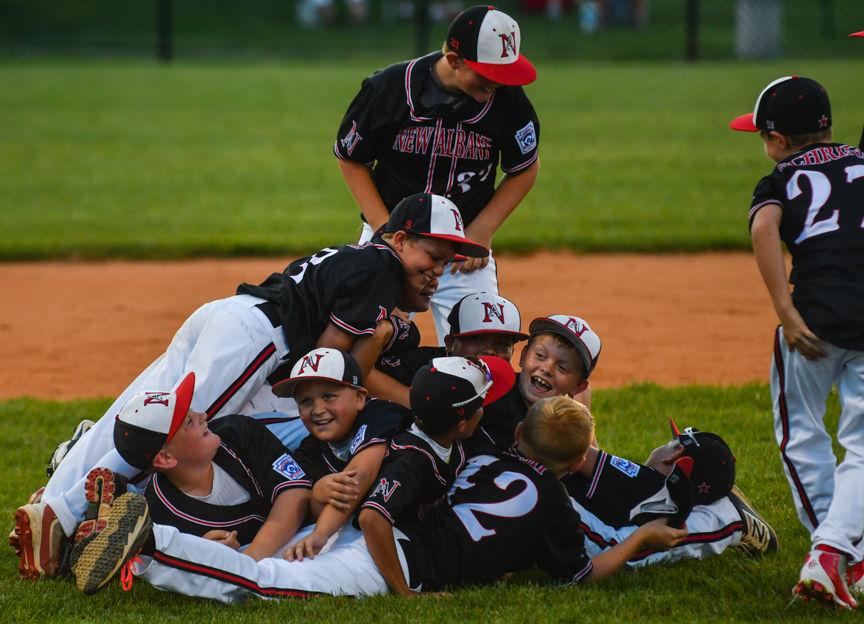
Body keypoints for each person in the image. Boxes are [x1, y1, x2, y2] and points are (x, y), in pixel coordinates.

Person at [12, 192, 486, 581]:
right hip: (258, 339)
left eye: (445, 262)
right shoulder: (381, 275)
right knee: (167, 429)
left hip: (228, 317)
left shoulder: (362, 259)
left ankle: (50, 499)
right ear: (400, 240)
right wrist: (374, 344)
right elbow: (324, 363)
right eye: (433, 256)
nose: (438, 270)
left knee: (137, 411)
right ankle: (67, 514)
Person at [68, 396, 688, 600]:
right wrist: (640, 539)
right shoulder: (552, 503)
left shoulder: (481, 455)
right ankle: (150, 544)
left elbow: (394, 490)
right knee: (261, 582)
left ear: (515, 433)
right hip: (386, 554)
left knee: (263, 576)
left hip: (376, 540)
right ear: (577, 463)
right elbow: (584, 574)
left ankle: (146, 543)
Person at [468, 313, 778, 563]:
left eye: (562, 367)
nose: (547, 369)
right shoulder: (497, 393)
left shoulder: (565, 422)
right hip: (533, 491)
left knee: (613, 549)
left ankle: (727, 520)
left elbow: (596, 466)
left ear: (578, 385)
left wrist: (659, 485)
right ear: (523, 357)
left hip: (549, 493)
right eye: (541, 356)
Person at [730, 75, 864, 609]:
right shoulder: (860, 158)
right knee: (862, 444)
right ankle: (847, 553)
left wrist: (785, 312)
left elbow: (764, 229)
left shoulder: (779, 176)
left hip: (815, 319)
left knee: (801, 434)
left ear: (778, 140)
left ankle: (828, 550)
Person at [334, 5, 540, 344]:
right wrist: (386, 231)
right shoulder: (389, 88)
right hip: (392, 235)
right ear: (454, 59)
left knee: (482, 344)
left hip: (462, 248)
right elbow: (352, 159)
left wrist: (481, 231)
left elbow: (525, 168)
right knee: (364, 339)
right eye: (486, 73)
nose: (495, 83)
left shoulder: (507, 100)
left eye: (503, 73)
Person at [71, 372, 312, 594]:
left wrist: (244, 561)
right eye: (188, 422)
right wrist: (206, 551)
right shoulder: (163, 513)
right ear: (165, 458)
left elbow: (296, 493)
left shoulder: (237, 431)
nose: (202, 415)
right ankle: (101, 528)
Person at [271, 348, 410, 563]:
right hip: (370, 524)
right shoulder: (310, 450)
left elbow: (359, 475)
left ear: (359, 398)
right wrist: (317, 495)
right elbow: (310, 512)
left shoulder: (380, 414)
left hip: (418, 522)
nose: (317, 409)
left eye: (328, 396)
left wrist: (320, 534)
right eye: (305, 402)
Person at [369, 291, 528, 404]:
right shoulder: (423, 366)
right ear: (450, 343)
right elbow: (361, 372)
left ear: (513, 351)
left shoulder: (514, 388)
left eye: (502, 344)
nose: (490, 351)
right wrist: (418, 404)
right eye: (478, 339)